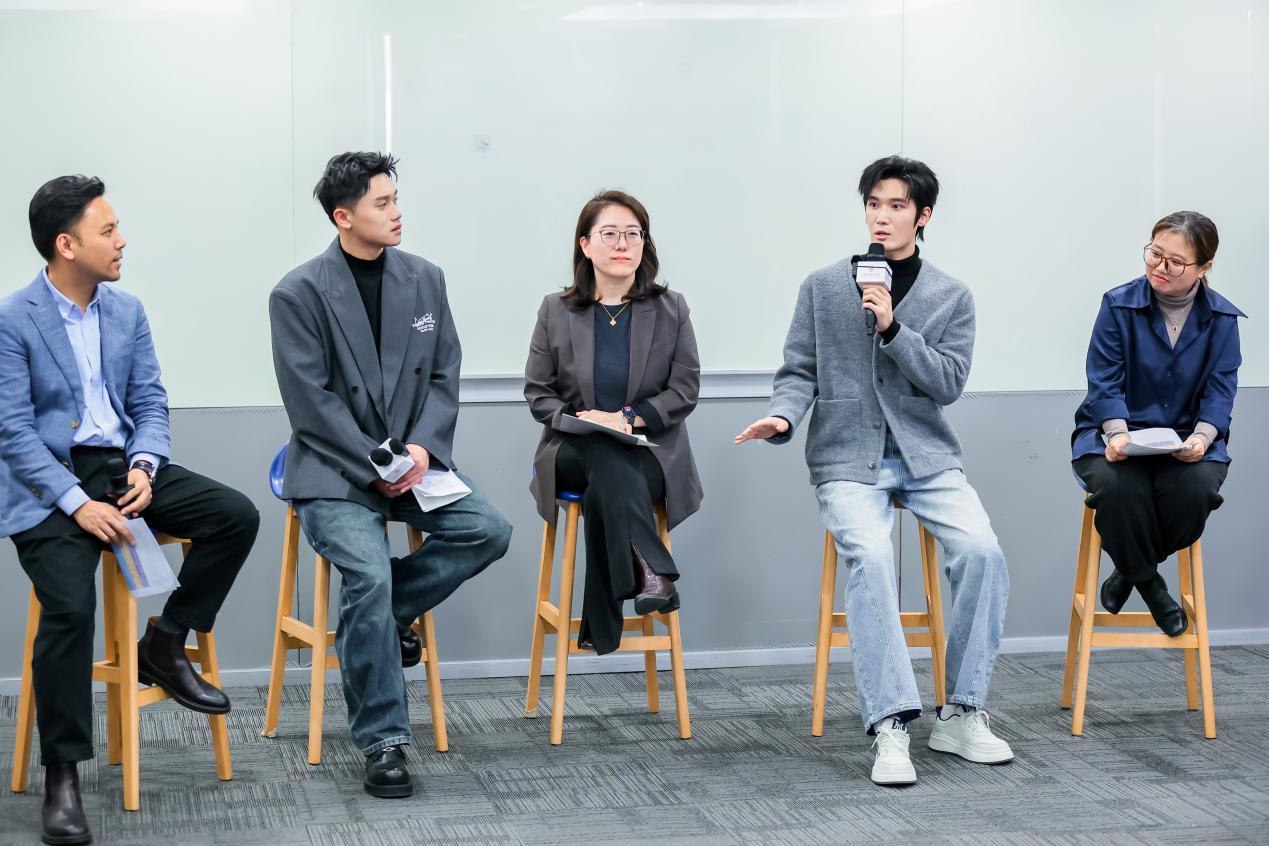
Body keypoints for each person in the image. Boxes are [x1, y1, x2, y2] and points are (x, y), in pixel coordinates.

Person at [735, 156, 1013, 786]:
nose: (881, 216)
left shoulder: (951, 295)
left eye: (896, 205)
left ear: (923, 215)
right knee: (872, 556)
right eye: (873, 203)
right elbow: (798, 370)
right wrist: (782, 417)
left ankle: (962, 711)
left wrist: (893, 327)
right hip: (846, 457)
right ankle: (891, 724)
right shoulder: (822, 286)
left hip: (926, 458)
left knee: (983, 552)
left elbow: (948, 383)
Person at [0, 176, 259, 845]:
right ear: (66, 245)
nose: (122, 241)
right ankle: (63, 775)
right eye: (108, 230)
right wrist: (76, 502)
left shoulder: (127, 311)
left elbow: (149, 400)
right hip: (50, 482)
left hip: (123, 467)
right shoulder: (13, 318)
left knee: (234, 515)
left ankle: (165, 643)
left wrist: (145, 466)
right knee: (69, 607)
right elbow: (14, 432)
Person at [269, 152, 511, 798]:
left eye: (395, 198)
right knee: (368, 575)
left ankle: (381, 616)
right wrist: (375, 466)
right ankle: (383, 742)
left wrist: (424, 448)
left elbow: (444, 373)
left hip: (412, 464)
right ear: (343, 217)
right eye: (382, 203)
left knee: (489, 529)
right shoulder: (298, 292)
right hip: (336, 471)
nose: (397, 212)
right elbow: (311, 404)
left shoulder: (425, 279)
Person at [524, 190, 702, 655]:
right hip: (572, 450)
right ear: (585, 244)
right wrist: (586, 422)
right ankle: (652, 570)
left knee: (611, 468)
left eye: (633, 234)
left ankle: (610, 616)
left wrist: (626, 418)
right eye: (610, 233)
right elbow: (538, 393)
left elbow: (684, 390)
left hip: (649, 454)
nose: (623, 243)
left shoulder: (672, 308)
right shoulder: (556, 310)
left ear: (644, 243)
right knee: (602, 451)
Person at [1072, 211, 1243, 636]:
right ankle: (1150, 586)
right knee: (1118, 490)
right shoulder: (1118, 304)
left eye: (1176, 262)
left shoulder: (1223, 320)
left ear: (1204, 268)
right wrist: (1117, 435)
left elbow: (1220, 392)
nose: (1160, 267)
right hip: (1112, 434)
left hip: (1187, 440)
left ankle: (1128, 573)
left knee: (1196, 493)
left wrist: (1202, 439)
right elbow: (1104, 379)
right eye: (1155, 254)